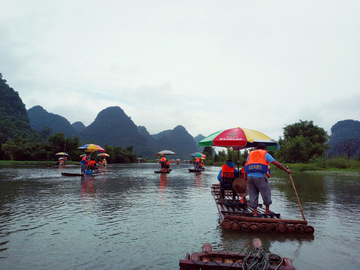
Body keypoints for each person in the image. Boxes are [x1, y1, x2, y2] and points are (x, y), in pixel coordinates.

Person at [245, 143, 291, 217]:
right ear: (264, 149)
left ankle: (255, 213)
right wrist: (286, 170)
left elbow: (246, 165)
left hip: (249, 176)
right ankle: (267, 211)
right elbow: (277, 164)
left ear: (256, 149)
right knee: (266, 192)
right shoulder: (265, 154)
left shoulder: (250, 154)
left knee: (252, 194)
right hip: (259, 177)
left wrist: (245, 176)